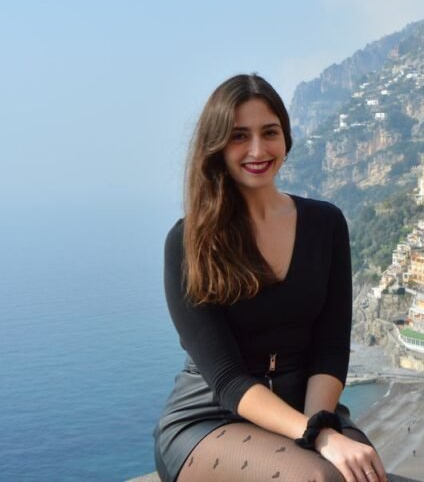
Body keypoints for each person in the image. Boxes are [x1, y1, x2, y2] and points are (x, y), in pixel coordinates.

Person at [154, 73, 387, 482]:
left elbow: (331, 348)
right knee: (322, 478)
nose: (258, 150)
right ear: (217, 146)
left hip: (304, 406)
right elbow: (226, 380)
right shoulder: (189, 242)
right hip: (210, 418)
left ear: (287, 138)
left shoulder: (325, 223)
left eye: (270, 132)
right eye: (239, 136)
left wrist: (320, 423)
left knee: (365, 472)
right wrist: (319, 436)